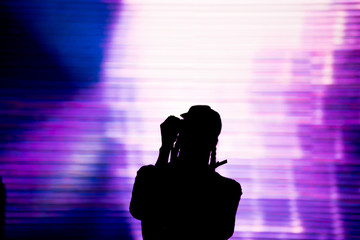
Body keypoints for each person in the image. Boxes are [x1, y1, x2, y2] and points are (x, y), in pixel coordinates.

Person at [130, 105, 242, 240]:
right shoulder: (228, 189)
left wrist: (165, 148)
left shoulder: (147, 176)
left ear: (180, 135)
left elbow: (141, 209)